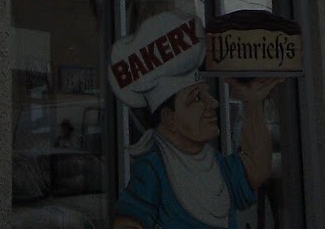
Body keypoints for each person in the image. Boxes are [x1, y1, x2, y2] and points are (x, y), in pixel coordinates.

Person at [108, 12, 280, 229]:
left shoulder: (216, 164)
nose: (213, 104)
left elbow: (257, 168)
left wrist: (252, 101)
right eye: (196, 98)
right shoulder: (152, 172)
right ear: (170, 119)